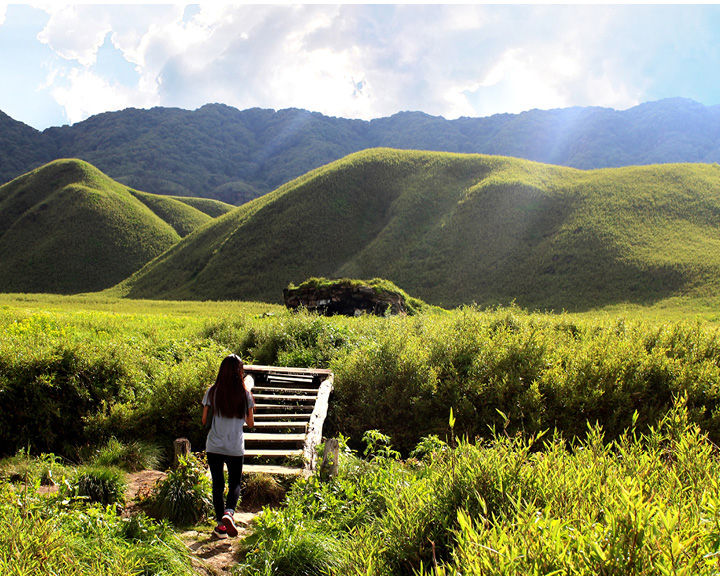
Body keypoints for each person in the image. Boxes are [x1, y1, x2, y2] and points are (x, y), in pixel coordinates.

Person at [201, 354, 255, 539]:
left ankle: (220, 527)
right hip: (234, 446)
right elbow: (250, 423)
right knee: (235, 483)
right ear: (239, 372)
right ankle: (229, 513)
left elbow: (203, 420)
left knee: (217, 484)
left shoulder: (212, 391)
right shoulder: (245, 393)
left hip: (214, 445)